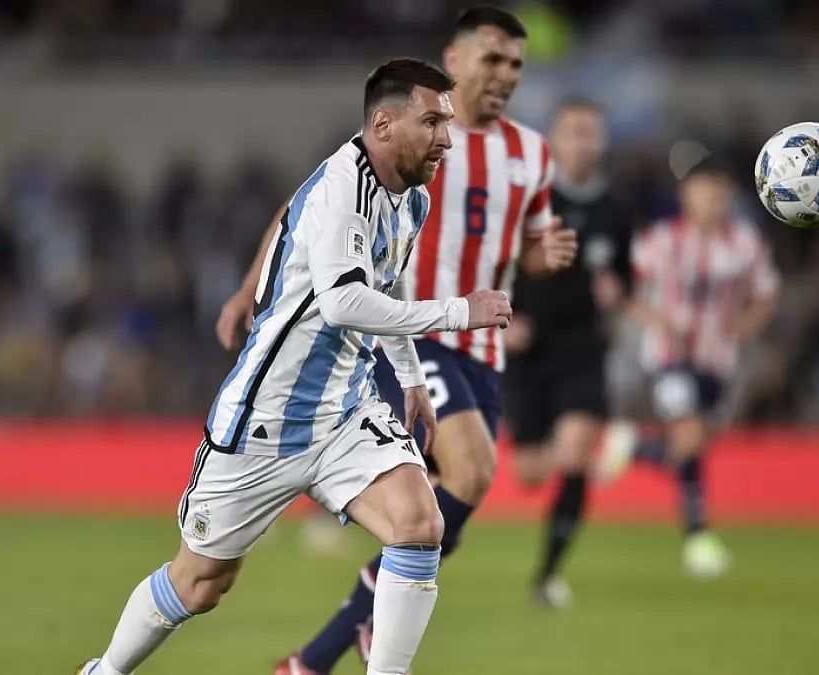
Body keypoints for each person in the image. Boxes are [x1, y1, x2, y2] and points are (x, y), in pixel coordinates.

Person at [75, 58, 516, 675]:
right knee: (200, 584)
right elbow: (343, 303)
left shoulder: (410, 198)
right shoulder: (341, 190)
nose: (446, 137)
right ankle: (105, 671)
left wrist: (412, 378)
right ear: (384, 124)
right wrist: (459, 311)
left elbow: (382, 296)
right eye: (433, 121)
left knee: (419, 523)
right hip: (265, 422)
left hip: (345, 414)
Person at [215, 7, 578, 674]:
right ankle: (353, 636)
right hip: (412, 328)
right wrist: (249, 284)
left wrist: (541, 255)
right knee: (470, 471)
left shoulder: (533, 153)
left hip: (482, 350)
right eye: (492, 59)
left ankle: (318, 656)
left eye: (517, 65)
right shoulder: (415, 133)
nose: (505, 75)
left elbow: (522, 247)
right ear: (456, 59)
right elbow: (308, 206)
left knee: (442, 516)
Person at [597, 157, 780, 579]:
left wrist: (748, 321)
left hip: (718, 360)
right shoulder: (660, 241)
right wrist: (657, 319)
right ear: (686, 195)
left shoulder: (746, 243)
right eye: (703, 189)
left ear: (729, 197)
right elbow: (620, 288)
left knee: (691, 445)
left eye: (719, 191)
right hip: (668, 357)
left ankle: (635, 447)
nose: (711, 198)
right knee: (689, 434)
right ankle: (699, 539)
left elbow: (767, 293)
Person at [503, 99, 634, 608]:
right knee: (531, 473)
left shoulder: (617, 210)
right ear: (554, 140)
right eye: (574, 131)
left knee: (575, 453)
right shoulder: (527, 200)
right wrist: (505, 314)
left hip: (583, 347)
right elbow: (492, 261)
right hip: (529, 348)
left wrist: (617, 291)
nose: (584, 141)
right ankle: (619, 456)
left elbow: (625, 274)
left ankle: (547, 577)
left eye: (591, 132)